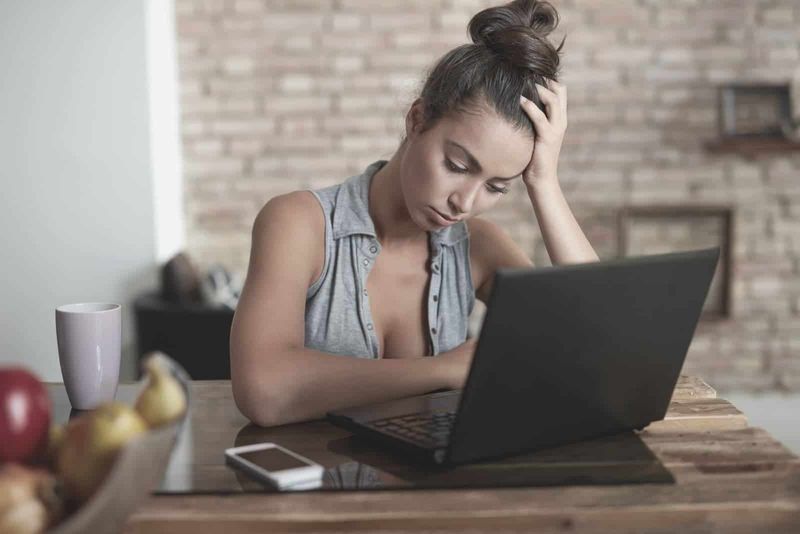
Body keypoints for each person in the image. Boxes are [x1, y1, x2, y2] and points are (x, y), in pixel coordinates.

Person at [230, 0, 599, 427]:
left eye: (496, 187)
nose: (465, 201)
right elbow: (263, 392)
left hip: (440, 484)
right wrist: (445, 369)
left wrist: (544, 182)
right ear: (417, 119)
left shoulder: (478, 247)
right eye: (458, 166)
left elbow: (590, 340)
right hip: (311, 485)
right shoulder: (299, 224)